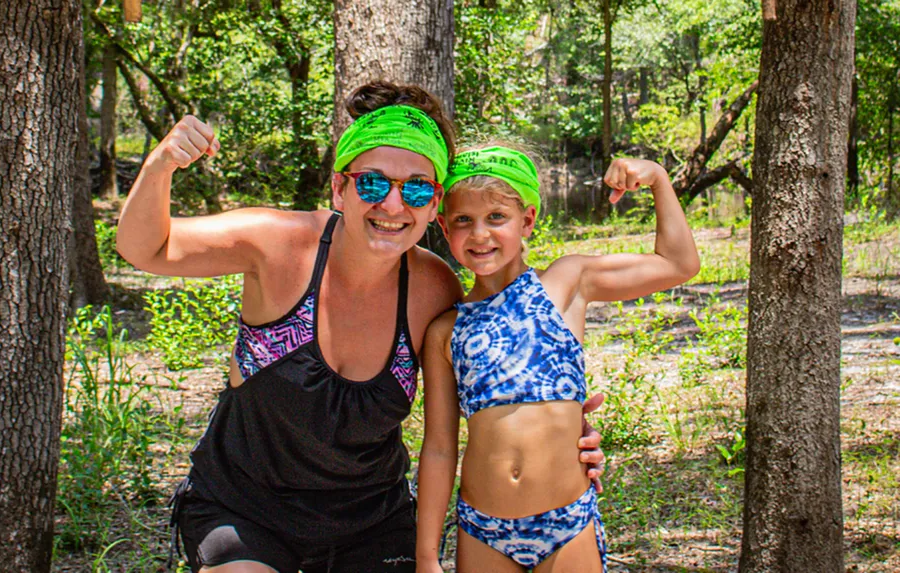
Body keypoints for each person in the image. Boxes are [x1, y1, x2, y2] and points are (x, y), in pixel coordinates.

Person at [116, 83, 606, 573]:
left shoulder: (434, 287)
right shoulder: (279, 245)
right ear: (339, 188)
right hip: (246, 513)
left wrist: (563, 435)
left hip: (372, 521)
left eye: (416, 188)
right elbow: (146, 249)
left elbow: (495, 378)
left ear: (434, 205)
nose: (393, 206)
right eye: (372, 183)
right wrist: (160, 166)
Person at [415, 146, 700, 573]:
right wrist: (426, 557)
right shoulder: (446, 332)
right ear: (443, 225)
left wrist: (658, 177)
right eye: (463, 221)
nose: (479, 234)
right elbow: (439, 447)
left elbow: (679, 264)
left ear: (527, 220)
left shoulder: (566, 284)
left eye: (496, 217)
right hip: (483, 528)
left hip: (566, 522)